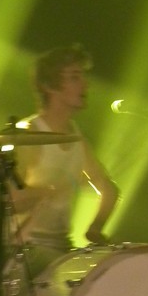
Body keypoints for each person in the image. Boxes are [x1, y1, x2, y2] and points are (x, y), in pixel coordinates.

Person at [10, 43, 120, 278]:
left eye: (83, 76)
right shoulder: (30, 135)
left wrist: (95, 228)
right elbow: (12, 200)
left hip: (61, 248)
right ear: (49, 85)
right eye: (74, 77)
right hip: (25, 250)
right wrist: (49, 190)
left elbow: (109, 190)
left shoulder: (77, 139)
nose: (85, 84)